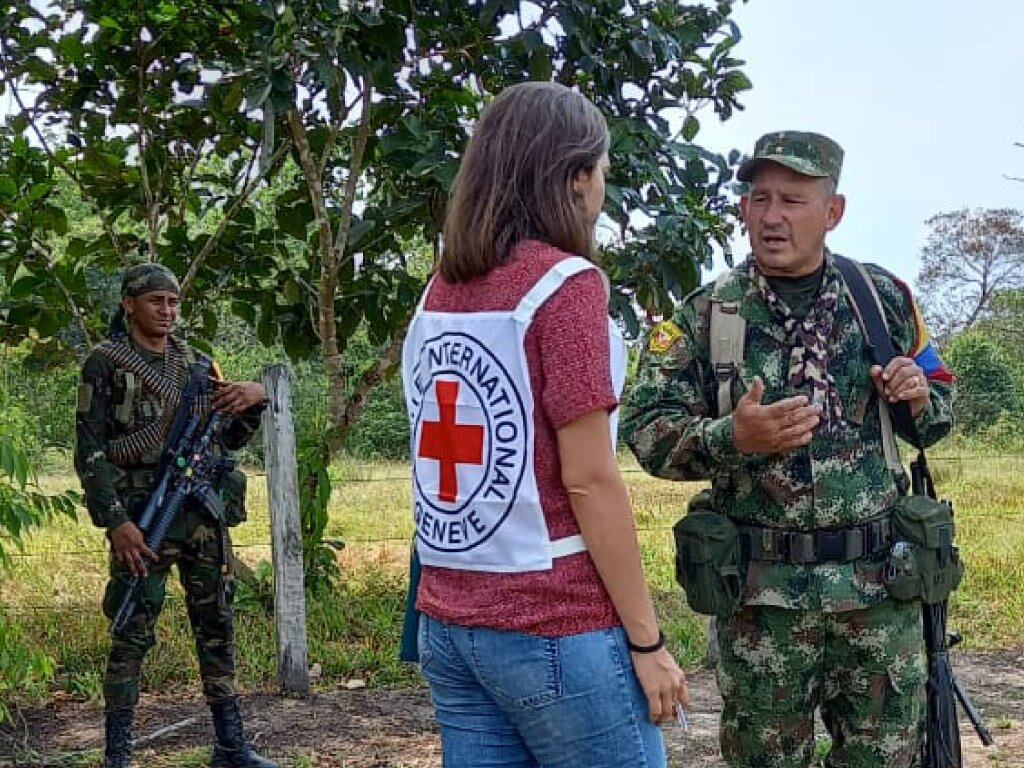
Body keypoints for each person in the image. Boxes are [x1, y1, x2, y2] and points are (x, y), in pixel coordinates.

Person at [623, 131, 955, 767]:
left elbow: (940, 401)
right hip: (761, 605)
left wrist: (917, 396)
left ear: (833, 212)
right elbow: (642, 426)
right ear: (744, 209)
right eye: (759, 198)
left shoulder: (881, 300)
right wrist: (731, 438)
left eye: (794, 200)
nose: (772, 215)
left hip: (879, 592)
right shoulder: (707, 314)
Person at [400, 81, 689, 767]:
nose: (602, 193)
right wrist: (646, 642)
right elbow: (589, 479)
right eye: (602, 174)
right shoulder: (566, 286)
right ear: (575, 177)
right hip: (554, 624)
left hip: (447, 619)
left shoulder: (440, 287)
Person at [74, 263, 276, 768]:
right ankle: (117, 755)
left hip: (201, 515)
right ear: (129, 304)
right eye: (155, 302)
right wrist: (115, 522)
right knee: (131, 631)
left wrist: (253, 400)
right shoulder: (105, 363)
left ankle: (230, 746)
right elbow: (90, 450)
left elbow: (226, 439)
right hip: (144, 518)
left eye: (173, 302)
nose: (167, 311)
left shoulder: (198, 366)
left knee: (217, 623)